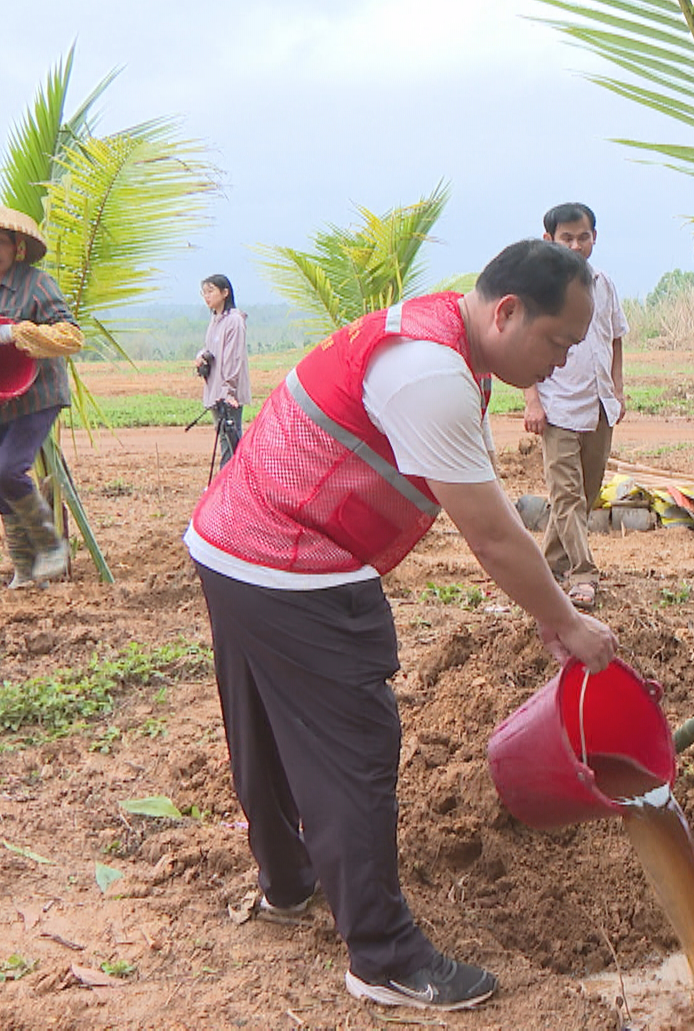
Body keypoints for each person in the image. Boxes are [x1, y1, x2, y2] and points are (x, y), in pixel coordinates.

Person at [186, 239, 618, 1013]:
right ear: (508, 311)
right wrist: (566, 622)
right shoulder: (433, 376)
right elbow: (491, 534)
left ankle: (287, 885)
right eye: (557, 342)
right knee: (356, 748)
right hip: (294, 559)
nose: (560, 364)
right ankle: (384, 957)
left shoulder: (431, 330)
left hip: (229, 539)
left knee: (263, 725)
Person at [523, 202, 626, 610]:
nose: (576, 244)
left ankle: (546, 567)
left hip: (599, 404)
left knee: (585, 493)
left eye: (583, 236)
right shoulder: (538, 293)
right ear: (549, 240)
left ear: (594, 238)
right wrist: (532, 400)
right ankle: (583, 574)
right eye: (567, 237)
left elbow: (616, 337)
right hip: (558, 409)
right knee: (566, 497)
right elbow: (523, 347)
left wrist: (617, 389)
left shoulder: (604, 285)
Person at [0, 208, 84, 589]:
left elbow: (71, 335)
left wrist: (21, 333)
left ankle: (51, 546)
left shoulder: (37, 284)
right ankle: (25, 566)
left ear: (16, 248)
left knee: (8, 468)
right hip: (3, 395)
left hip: (38, 394)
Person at [194, 273, 251, 471]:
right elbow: (211, 349)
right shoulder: (216, 319)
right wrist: (201, 356)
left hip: (227, 394)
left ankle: (229, 486)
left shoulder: (234, 321)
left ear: (225, 293)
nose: (206, 296)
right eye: (204, 292)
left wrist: (228, 391)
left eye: (211, 291)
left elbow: (233, 359)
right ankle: (232, 485)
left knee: (231, 442)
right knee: (225, 441)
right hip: (216, 390)